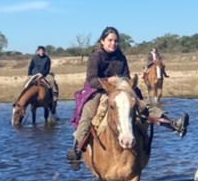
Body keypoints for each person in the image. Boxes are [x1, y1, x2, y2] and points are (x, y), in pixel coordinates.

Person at [67, 28, 189, 166]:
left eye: (116, 41)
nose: (113, 43)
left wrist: (122, 82)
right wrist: (108, 81)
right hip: (101, 90)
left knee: (143, 105)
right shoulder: (95, 57)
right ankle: (77, 148)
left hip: (122, 89)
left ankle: (172, 124)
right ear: (102, 41)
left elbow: (126, 75)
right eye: (110, 40)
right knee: (88, 111)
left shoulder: (121, 57)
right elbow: (92, 80)